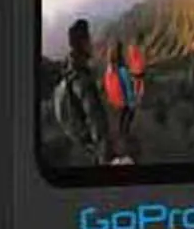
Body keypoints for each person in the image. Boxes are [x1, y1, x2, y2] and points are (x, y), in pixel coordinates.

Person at [52, 19, 111, 164]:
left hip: (78, 142)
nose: (92, 44)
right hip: (91, 149)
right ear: (83, 44)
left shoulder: (67, 73)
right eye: (89, 40)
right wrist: (103, 156)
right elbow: (96, 122)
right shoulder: (82, 80)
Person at [104, 40, 138, 141]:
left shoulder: (108, 71)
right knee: (129, 114)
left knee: (122, 116)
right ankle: (125, 134)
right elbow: (128, 87)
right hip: (124, 100)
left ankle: (121, 132)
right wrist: (132, 102)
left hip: (116, 101)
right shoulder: (122, 70)